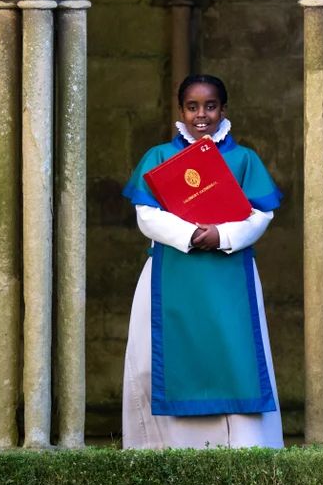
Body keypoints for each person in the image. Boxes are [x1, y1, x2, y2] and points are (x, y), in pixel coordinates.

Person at [120, 74, 284, 449]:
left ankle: (245, 445)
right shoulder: (159, 156)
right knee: (155, 361)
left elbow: (261, 214)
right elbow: (146, 214)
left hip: (231, 273)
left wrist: (222, 237)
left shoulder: (244, 159)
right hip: (170, 270)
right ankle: (167, 448)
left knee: (236, 356)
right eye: (192, 107)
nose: (201, 115)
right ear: (181, 110)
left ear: (223, 109)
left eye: (210, 106)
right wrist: (191, 236)